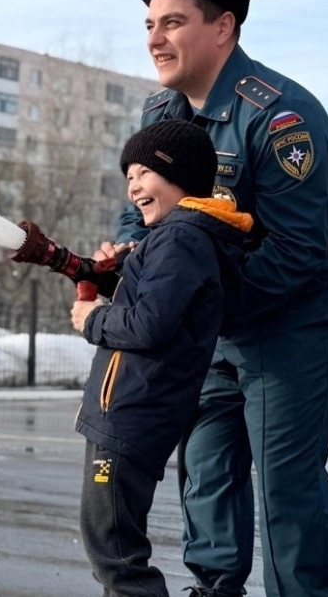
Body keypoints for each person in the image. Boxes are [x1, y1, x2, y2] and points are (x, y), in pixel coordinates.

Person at [105, 0, 328, 597]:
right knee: (206, 464)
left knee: (285, 481)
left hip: (296, 312)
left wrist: (193, 302)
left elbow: (297, 251)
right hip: (215, 311)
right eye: (149, 24)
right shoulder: (161, 111)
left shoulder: (279, 116)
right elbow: (141, 210)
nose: (155, 40)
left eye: (173, 22)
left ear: (223, 27)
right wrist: (128, 258)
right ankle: (216, 588)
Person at [70, 119, 252, 597]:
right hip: (128, 411)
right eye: (128, 176)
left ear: (180, 174)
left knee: (115, 552)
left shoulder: (181, 238)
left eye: (143, 172)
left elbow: (150, 324)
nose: (132, 186)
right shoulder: (177, 238)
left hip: (130, 414)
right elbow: (157, 302)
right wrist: (117, 274)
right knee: (112, 545)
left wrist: (92, 318)